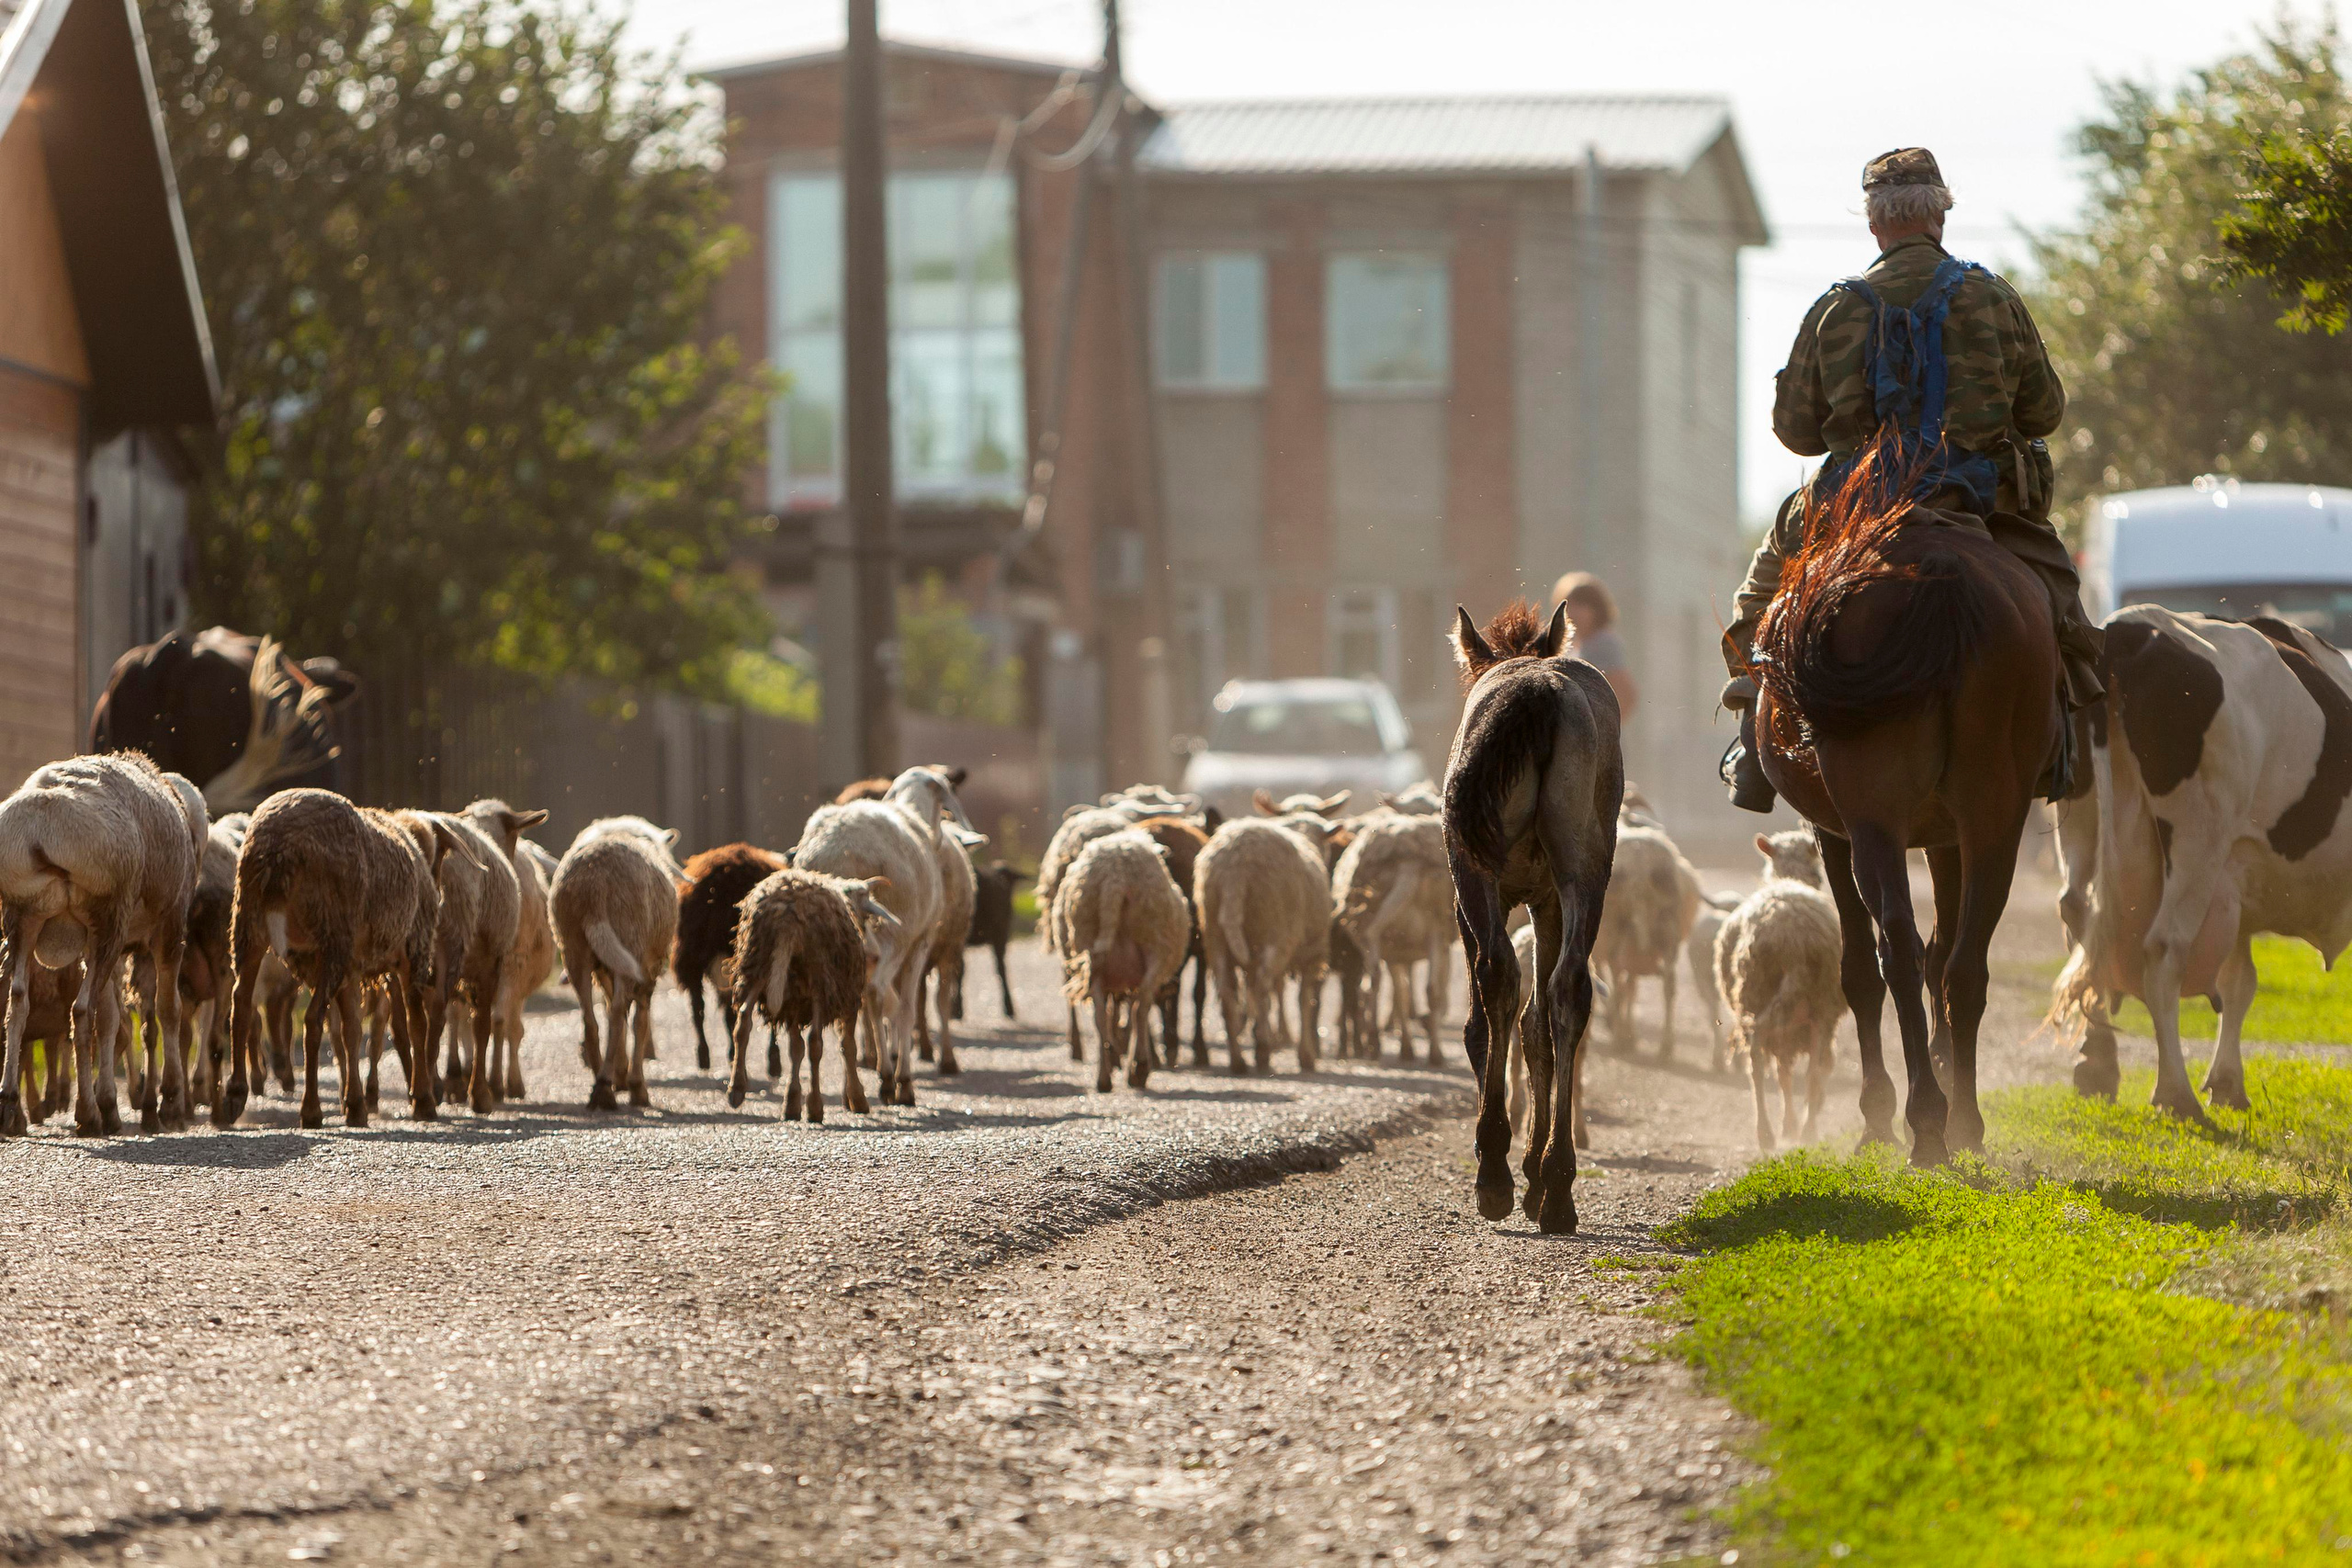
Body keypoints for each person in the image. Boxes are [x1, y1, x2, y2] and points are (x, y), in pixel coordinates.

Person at [1717, 147, 2105, 813]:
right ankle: (2064, 733)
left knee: (1759, 604)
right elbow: (2044, 412)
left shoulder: (1835, 310)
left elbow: (1796, 431)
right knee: (2058, 598)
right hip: (1984, 504)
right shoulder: (1992, 296)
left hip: (1855, 507)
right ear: (1941, 216)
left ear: (1875, 225)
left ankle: (1755, 745)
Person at [1552, 571, 1638, 722]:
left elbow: (1627, 695)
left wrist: (1603, 726)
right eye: (1568, 605)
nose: (1573, 612)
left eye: (1581, 605)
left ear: (1596, 609)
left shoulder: (1602, 642)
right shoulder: (1572, 646)